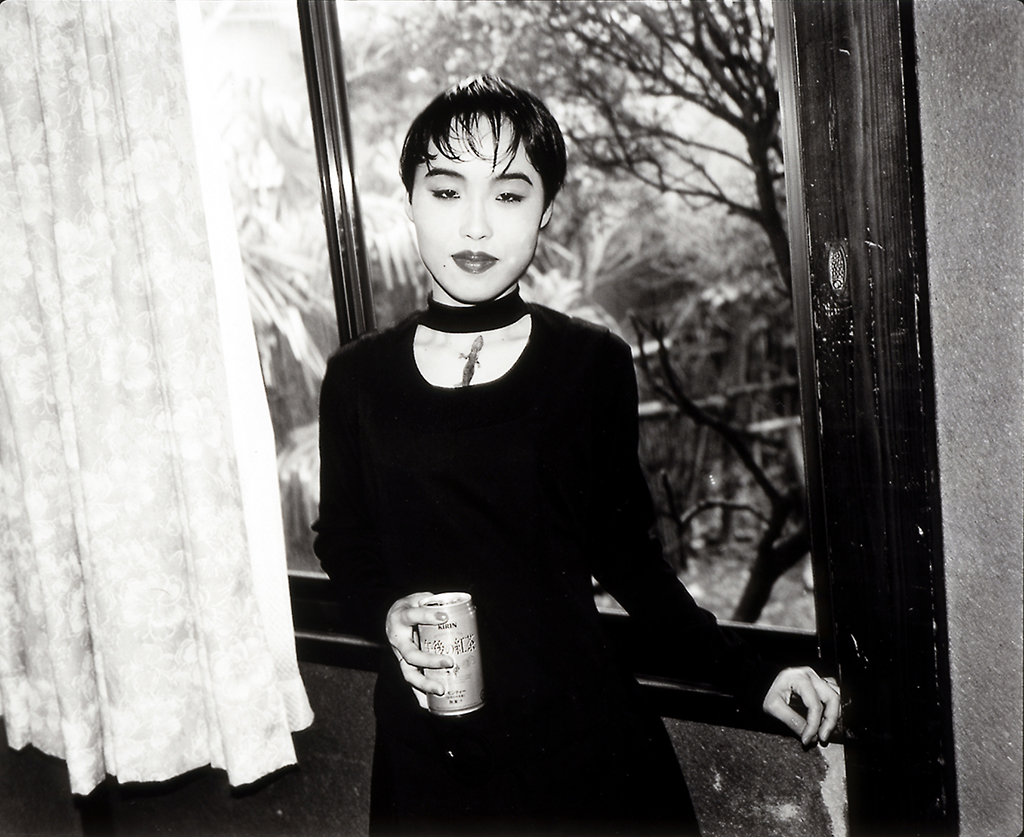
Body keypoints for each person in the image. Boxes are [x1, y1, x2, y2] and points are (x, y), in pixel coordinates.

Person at [313, 75, 840, 837]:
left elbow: (628, 555)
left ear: (545, 212)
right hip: (430, 753)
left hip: (582, 747)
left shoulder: (589, 363)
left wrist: (751, 672)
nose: (477, 225)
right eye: (447, 190)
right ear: (411, 202)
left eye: (509, 194)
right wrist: (387, 611)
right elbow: (345, 539)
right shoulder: (356, 376)